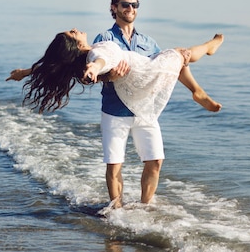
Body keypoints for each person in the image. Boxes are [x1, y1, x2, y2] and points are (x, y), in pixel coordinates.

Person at [19, 27, 223, 207]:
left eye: (134, 5)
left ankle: (146, 206)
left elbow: (54, 63)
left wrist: (25, 72)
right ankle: (116, 209)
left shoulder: (143, 41)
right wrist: (96, 69)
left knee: (155, 161)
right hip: (128, 95)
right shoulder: (99, 47)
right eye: (72, 33)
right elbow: (102, 60)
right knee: (180, 53)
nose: (75, 28)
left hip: (142, 92)